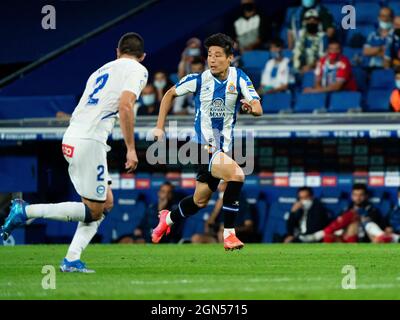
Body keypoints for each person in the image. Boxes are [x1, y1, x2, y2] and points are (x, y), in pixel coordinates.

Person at [1, 33, 148, 272]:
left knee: (105, 204)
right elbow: (125, 105)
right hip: (90, 141)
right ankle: (25, 211)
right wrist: (131, 148)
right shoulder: (137, 69)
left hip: (73, 137)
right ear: (142, 56)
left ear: (117, 51)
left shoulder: (100, 71)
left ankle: (71, 259)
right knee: (94, 210)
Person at [152, 33, 263, 251]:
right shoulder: (198, 79)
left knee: (199, 201)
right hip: (201, 146)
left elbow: (258, 108)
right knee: (237, 175)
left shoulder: (240, 77)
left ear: (229, 57)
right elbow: (168, 94)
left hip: (222, 148)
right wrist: (159, 126)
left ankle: (167, 219)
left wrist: (251, 108)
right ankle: (229, 235)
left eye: (218, 55)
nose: (212, 59)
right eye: (210, 55)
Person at [300, 184, 384, 243]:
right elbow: (338, 222)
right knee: (328, 237)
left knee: (352, 216)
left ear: (366, 196)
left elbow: (374, 225)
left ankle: (318, 235)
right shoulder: (346, 208)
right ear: (352, 196)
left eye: (361, 195)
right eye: (355, 195)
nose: (358, 198)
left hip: (362, 237)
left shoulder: (372, 210)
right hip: (343, 236)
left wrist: (359, 218)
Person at [191, 181, 256, 244]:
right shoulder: (219, 203)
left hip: (237, 236)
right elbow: (208, 224)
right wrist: (216, 210)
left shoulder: (241, 202)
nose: (218, 187)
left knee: (223, 233)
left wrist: (231, 229)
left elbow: (249, 227)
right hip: (218, 236)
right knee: (196, 238)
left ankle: (225, 253)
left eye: (221, 184)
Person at [293, 9, 328, 75]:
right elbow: (296, 53)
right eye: (308, 19)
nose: (311, 21)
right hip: (299, 68)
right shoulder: (300, 34)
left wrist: (310, 67)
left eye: (315, 19)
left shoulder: (323, 37)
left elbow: (323, 58)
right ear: (305, 21)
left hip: (315, 69)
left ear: (318, 22)